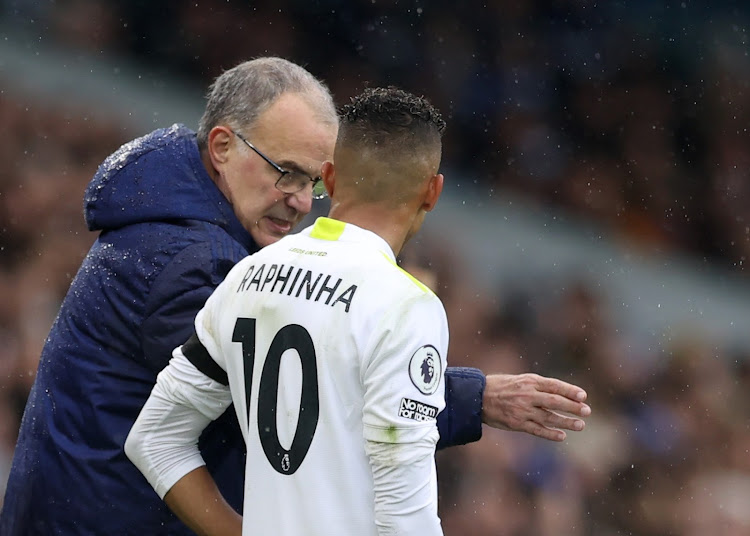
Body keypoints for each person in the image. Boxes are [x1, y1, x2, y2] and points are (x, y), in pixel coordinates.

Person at [1, 57, 589, 535]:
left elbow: (179, 425)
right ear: (223, 147)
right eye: (285, 171)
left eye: (311, 181)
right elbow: (291, 401)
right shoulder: (192, 259)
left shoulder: (201, 238)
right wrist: (466, 395)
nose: (301, 200)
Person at [126, 85, 452, 535]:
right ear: (432, 192)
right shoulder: (406, 306)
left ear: (331, 177)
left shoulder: (248, 275)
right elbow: (405, 517)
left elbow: (155, 440)